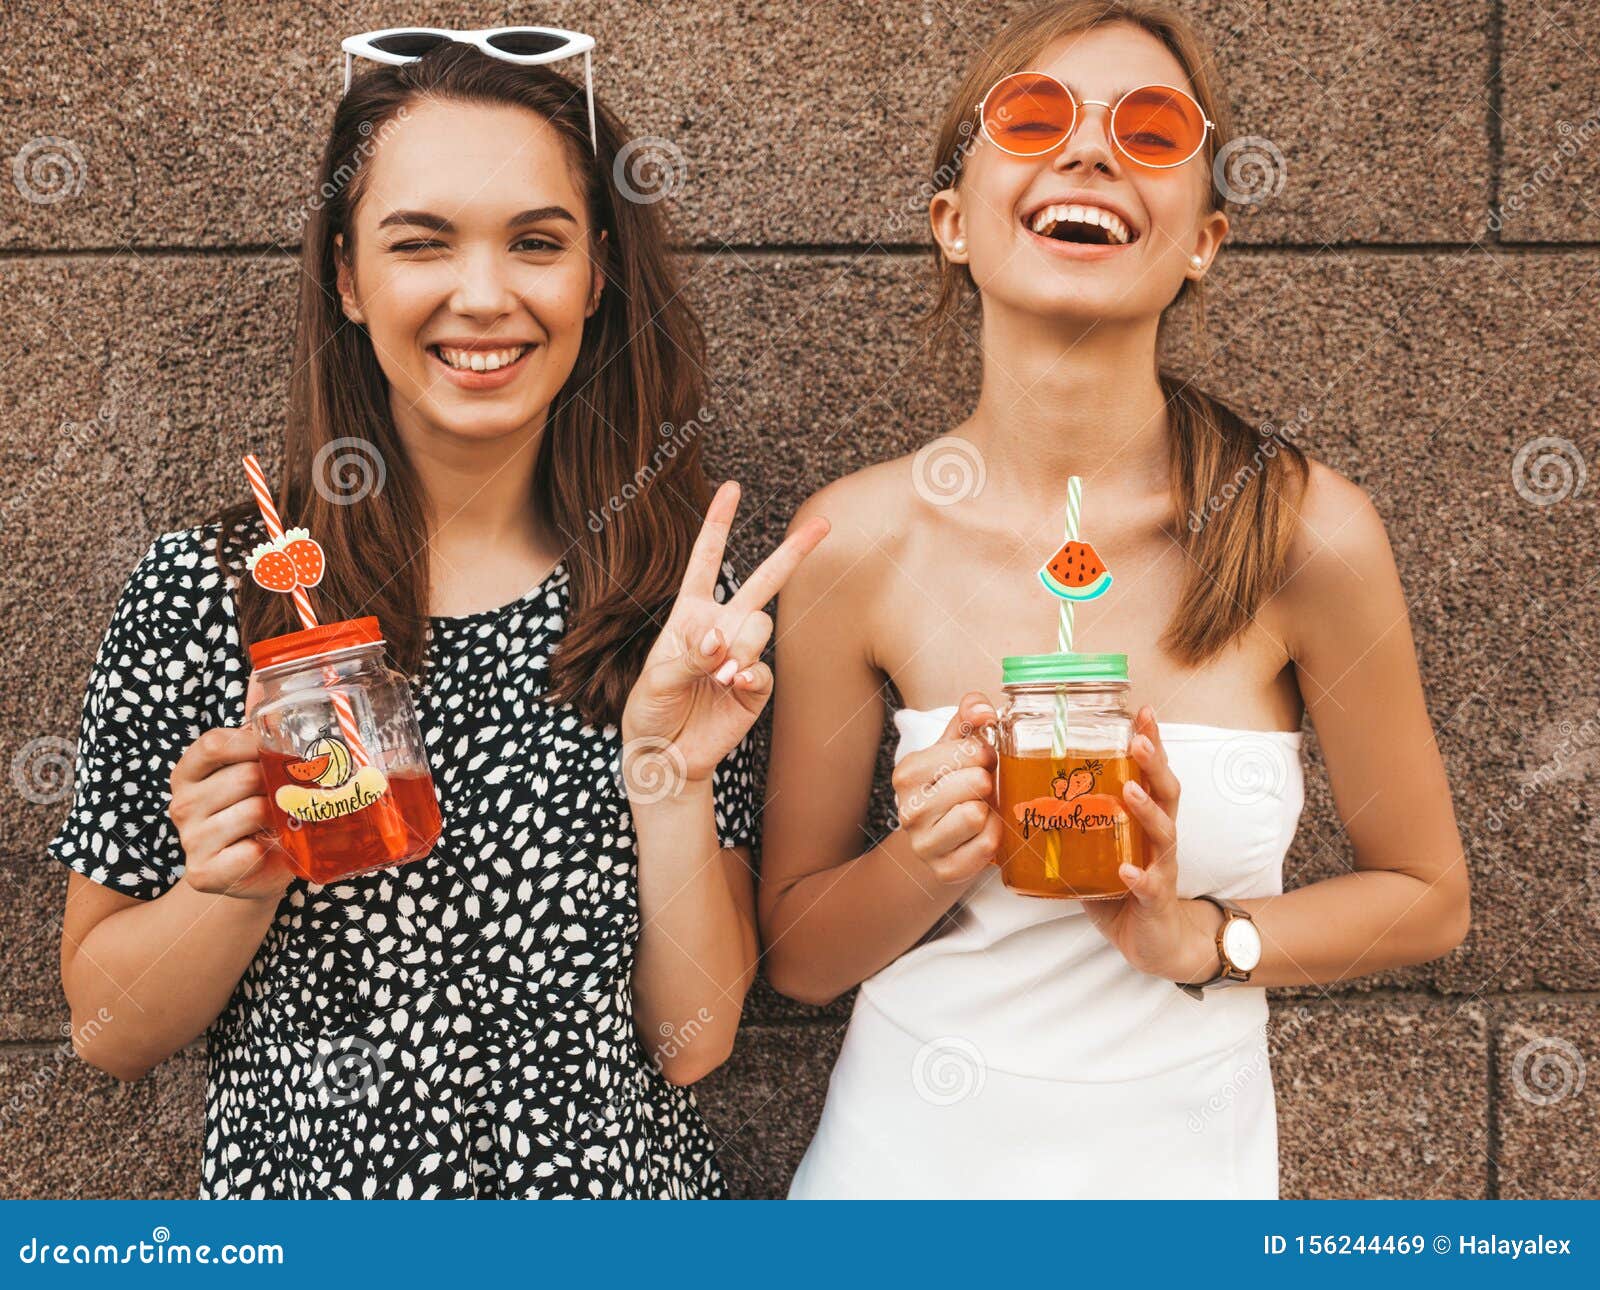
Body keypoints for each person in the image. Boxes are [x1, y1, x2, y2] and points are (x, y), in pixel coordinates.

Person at [53, 37, 826, 1199]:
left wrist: (667, 774)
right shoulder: (208, 588)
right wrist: (233, 885)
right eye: (421, 242)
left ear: (596, 275)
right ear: (348, 280)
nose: (484, 294)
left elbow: (694, 1042)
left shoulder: (666, 606)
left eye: (535, 242)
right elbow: (107, 1029)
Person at [759, 0, 1469, 1199]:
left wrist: (1203, 936)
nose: (1088, 151)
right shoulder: (853, 541)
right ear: (952, 221)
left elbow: (1427, 899)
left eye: (1151, 132)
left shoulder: (1304, 533)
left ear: (1204, 239)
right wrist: (926, 864)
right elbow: (796, 961)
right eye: (1033, 119)